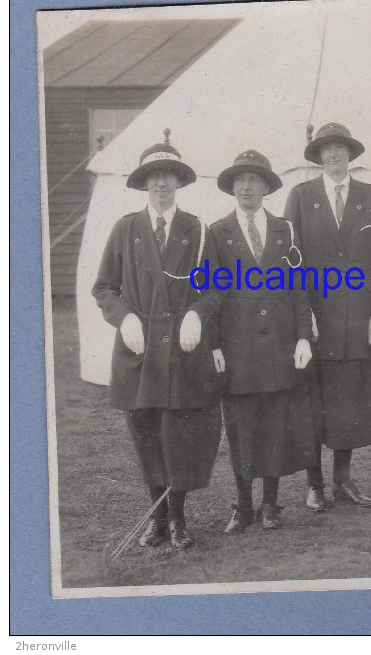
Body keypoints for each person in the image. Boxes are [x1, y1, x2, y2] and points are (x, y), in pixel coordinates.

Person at [92, 135, 222, 549]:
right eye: (154, 177)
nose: (161, 184)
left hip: (182, 350)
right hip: (140, 349)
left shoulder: (198, 231)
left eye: (168, 176)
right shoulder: (126, 228)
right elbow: (104, 288)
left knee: (178, 434)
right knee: (146, 433)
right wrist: (124, 317)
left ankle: (179, 519)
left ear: (178, 183)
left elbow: (215, 289)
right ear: (144, 183)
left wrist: (196, 315)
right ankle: (157, 519)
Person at [284, 123, 371, 511]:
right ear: (318, 157)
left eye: (340, 150)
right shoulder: (301, 197)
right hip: (317, 320)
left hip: (355, 318)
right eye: (326, 151)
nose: (333, 156)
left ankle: (343, 480)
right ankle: (314, 484)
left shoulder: (370, 195)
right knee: (314, 402)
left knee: (348, 403)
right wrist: (303, 322)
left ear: (350, 155)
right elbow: (292, 265)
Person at [209, 150, 318, 532]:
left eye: (254, 180)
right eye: (240, 180)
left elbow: (299, 289)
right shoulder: (217, 233)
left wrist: (303, 337)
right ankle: (242, 505)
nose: (246, 187)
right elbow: (210, 295)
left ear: (266, 187)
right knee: (241, 426)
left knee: (275, 424)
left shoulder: (284, 230)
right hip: (237, 349)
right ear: (231, 188)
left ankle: (270, 504)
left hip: (278, 345)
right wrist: (215, 346)